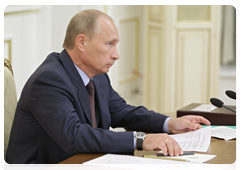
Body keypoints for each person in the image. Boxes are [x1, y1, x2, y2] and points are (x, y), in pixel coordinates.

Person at [5, 9, 211, 170]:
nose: (116, 55)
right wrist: (140, 140)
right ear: (82, 42)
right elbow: (74, 136)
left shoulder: (98, 75)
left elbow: (121, 112)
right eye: (110, 44)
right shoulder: (49, 80)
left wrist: (169, 123)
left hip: (86, 162)